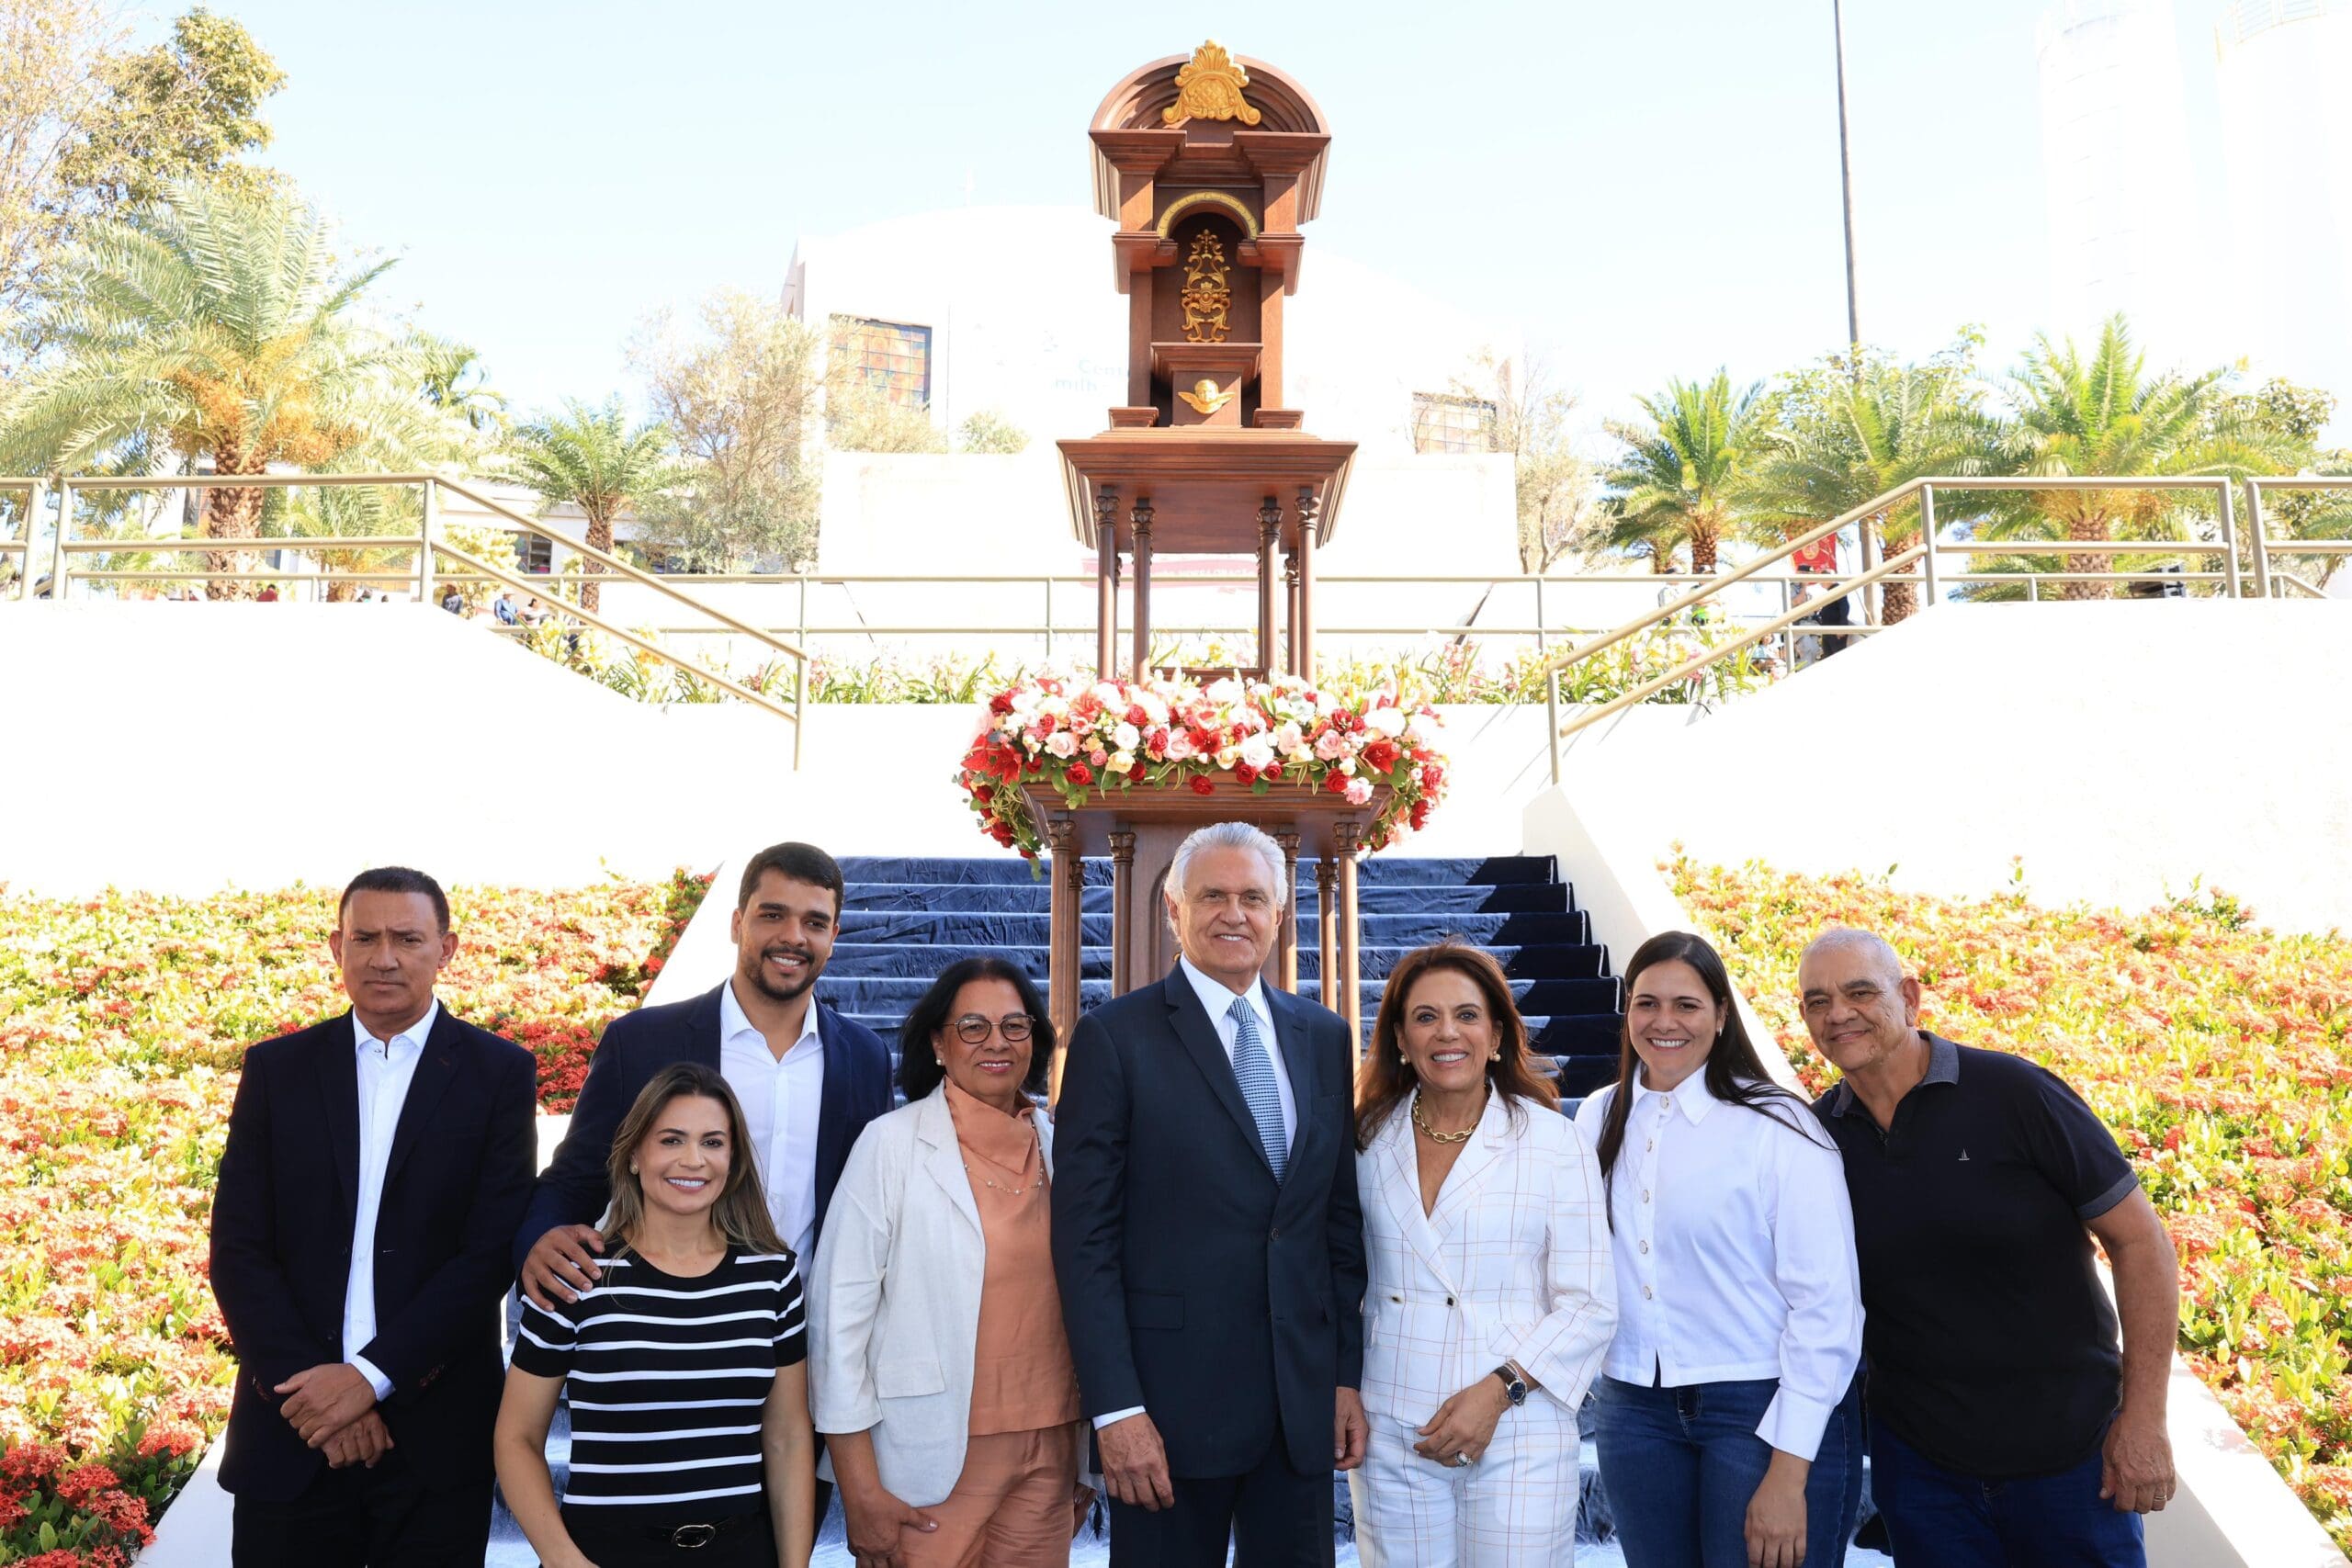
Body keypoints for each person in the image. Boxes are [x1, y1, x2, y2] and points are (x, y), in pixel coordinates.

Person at [1799, 929, 2180, 1568]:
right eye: (1817, 1000)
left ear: (1911, 996)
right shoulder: (1815, 1141)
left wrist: (2144, 1420)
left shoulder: (2016, 1094)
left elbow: (2141, 1243)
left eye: (1859, 991)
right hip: (1924, 1477)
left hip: (2072, 1465)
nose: (1837, 1012)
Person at [1051, 820, 1368, 1567]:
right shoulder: (1113, 1038)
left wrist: (1345, 1375)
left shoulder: (1323, 1035)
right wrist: (1118, 1408)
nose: (1235, 913)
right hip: (1165, 1417)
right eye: (1214, 895)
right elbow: (1083, 1241)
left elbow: (1337, 1225)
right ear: (1173, 911)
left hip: (1298, 1415)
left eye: (1253, 896)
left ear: (1280, 913)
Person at [208, 866, 538, 1565]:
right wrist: (316, 1393)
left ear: (446, 949)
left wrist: (368, 1379)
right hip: (290, 1435)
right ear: (337, 946)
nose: (384, 956)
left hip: (434, 1442)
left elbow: (486, 1255)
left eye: (407, 937)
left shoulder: (498, 1074)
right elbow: (239, 1247)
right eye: (365, 937)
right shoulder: (277, 1070)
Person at [1576, 931, 1863, 1568]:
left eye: (1687, 1004)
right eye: (1646, 1003)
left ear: (1722, 1015)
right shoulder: (1597, 1116)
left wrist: (1788, 1475)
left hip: (1759, 1411)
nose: (1664, 1021)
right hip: (1634, 1410)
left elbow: (1828, 1308)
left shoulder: (1780, 1126)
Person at [518, 841, 894, 1306]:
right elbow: (575, 1180)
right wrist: (536, 1240)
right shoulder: (641, 1043)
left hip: (807, 1333)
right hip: (665, 1327)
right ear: (738, 924)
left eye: (814, 922)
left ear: (834, 935)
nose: (793, 936)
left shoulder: (865, 1057)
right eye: (772, 915)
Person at [809, 956, 1091, 1567]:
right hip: (925, 1460)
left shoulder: (1060, 1144)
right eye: (973, 1026)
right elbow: (837, 1327)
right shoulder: (889, 1144)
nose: (997, 1041)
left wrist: (1085, 1455)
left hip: (1050, 1450)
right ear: (938, 1041)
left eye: (1016, 1026)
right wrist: (858, 1489)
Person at [1350, 942, 1615, 1568]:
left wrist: (1498, 1391)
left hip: (1519, 1424)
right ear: (1400, 1037)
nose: (1448, 1032)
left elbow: (1591, 1304)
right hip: (1395, 1431)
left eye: (1467, 1015)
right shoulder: (1363, 1137)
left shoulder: (1553, 1141)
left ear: (1496, 1033)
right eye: (1425, 1016)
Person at [499, 1062, 817, 1567]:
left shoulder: (774, 1277)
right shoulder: (577, 1275)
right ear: (632, 1156)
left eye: (713, 1142)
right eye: (671, 1140)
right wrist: (566, 1562)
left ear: (732, 1160)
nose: (693, 1160)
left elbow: (788, 1437)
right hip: (601, 1553)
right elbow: (516, 1438)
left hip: (740, 1552)